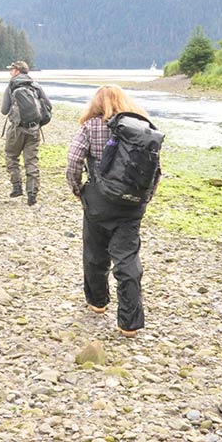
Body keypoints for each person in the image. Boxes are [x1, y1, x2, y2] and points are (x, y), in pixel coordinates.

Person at [66, 85, 160, 338]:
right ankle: (129, 323)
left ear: (96, 104)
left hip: (98, 200)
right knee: (127, 258)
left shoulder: (91, 126)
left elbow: (74, 161)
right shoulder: (144, 128)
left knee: (95, 252)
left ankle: (98, 302)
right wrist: (145, 198)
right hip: (132, 203)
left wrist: (78, 190)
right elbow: (155, 169)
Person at [1, 60, 51, 206]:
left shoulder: (11, 86)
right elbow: (48, 106)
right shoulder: (36, 86)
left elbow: (4, 110)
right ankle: (32, 194)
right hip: (34, 129)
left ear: (17, 70)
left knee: (11, 156)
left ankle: (17, 187)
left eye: (11, 69)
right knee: (32, 161)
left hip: (16, 129)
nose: (10, 72)